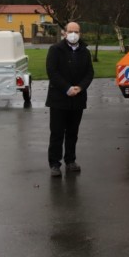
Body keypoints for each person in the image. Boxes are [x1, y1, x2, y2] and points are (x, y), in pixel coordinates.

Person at [45, 22, 94, 177]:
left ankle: (70, 160)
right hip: (59, 99)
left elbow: (89, 73)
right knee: (57, 133)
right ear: (64, 33)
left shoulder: (85, 52)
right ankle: (54, 163)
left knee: (73, 132)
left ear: (80, 33)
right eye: (70, 31)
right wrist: (67, 88)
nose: (73, 34)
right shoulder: (55, 50)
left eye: (76, 31)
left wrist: (80, 88)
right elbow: (52, 72)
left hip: (77, 99)